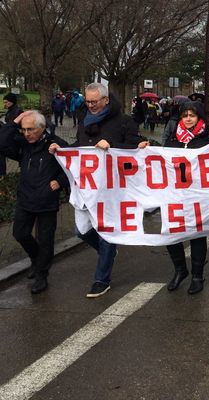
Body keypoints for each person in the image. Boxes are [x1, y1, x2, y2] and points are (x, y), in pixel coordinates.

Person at [49, 82, 146, 298]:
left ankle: (101, 280)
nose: (91, 105)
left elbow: (136, 149)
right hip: (87, 188)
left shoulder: (124, 121)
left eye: (95, 101)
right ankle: (108, 252)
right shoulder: (84, 118)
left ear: (106, 100)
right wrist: (62, 150)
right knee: (80, 231)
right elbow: (80, 145)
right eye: (88, 101)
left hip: (111, 190)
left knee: (106, 233)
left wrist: (111, 145)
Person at [0, 110, 68, 294]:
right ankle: (37, 260)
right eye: (24, 129)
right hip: (26, 199)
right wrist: (15, 122)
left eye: (30, 129)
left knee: (45, 240)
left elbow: (73, 167)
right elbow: (2, 142)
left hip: (46, 201)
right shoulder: (24, 145)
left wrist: (60, 182)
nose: (27, 133)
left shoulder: (57, 145)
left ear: (42, 128)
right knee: (20, 233)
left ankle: (41, 275)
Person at [162, 101, 209, 294]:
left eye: (192, 115)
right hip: (176, 195)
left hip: (198, 195)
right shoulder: (172, 140)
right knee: (171, 233)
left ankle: (197, 275)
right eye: (185, 115)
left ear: (199, 117)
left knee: (197, 234)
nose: (188, 119)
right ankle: (180, 270)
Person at [1, 92, 23, 176]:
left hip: (16, 140)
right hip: (10, 138)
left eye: (6, 102)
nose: (5, 104)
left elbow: (21, 127)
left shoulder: (18, 112)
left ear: (12, 101)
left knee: (22, 158)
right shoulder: (10, 111)